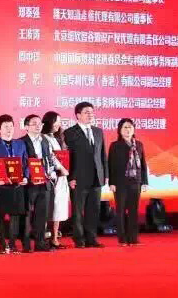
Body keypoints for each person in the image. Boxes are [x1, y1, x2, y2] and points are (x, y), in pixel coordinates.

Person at [64, 101, 106, 248]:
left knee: (93, 210)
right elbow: (67, 158)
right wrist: (70, 178)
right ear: (78, 115)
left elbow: (102, 155)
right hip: (78, 179)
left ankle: (91, 239)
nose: (90, 115)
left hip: (97, 177)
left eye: (92, 112)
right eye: (87, 112)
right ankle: (79, 239)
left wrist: (105, 174)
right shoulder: (69, 133)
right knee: (78, 211)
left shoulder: (98, 131)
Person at [0, 114, 29, 254]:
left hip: (17, 185)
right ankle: (2, 245)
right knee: (0, 215)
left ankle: (12, 244)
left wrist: (26, 177)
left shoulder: (20, 143)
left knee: (15, 215)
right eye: (5, 127)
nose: (9, 129)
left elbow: (25, 162)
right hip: (0, 186)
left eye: (11, 126)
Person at [107, 118, 149, 246]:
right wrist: (111, 183)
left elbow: (143, 165)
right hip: (120, 183)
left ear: (134, 129)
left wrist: (144, 181)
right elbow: (111, 165)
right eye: (125, 127)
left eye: (130, 127)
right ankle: (122, 238)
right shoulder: (115, 145)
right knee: (120, 211)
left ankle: (133, 238)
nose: (128, 130)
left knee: (133, 210)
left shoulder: (139, 145)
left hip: (135, 182)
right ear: (120, 130)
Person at [20, 114, 57, 252]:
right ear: (26, 127)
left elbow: (49, 159)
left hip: (44, 182)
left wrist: (52, 173)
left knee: (42, 214)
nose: (38, 126)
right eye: (34, 123)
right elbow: (21, 162)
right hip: (29, 183)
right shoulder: (21, 142)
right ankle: (26, 244)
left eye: (39, 123)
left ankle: (40, 243)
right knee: (27, 215)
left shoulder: (45, 141)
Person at [41, 111, 71, 249]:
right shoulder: (43, 138)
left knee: (58, 208)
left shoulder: (58, 138)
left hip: (61, 178)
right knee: (48, 208)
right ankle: (44, 238)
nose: (58, 124)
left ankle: (54, 238)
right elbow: (50, 156)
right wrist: (60, 168)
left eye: (59, 121)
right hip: (51, 177)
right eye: (56, 121)